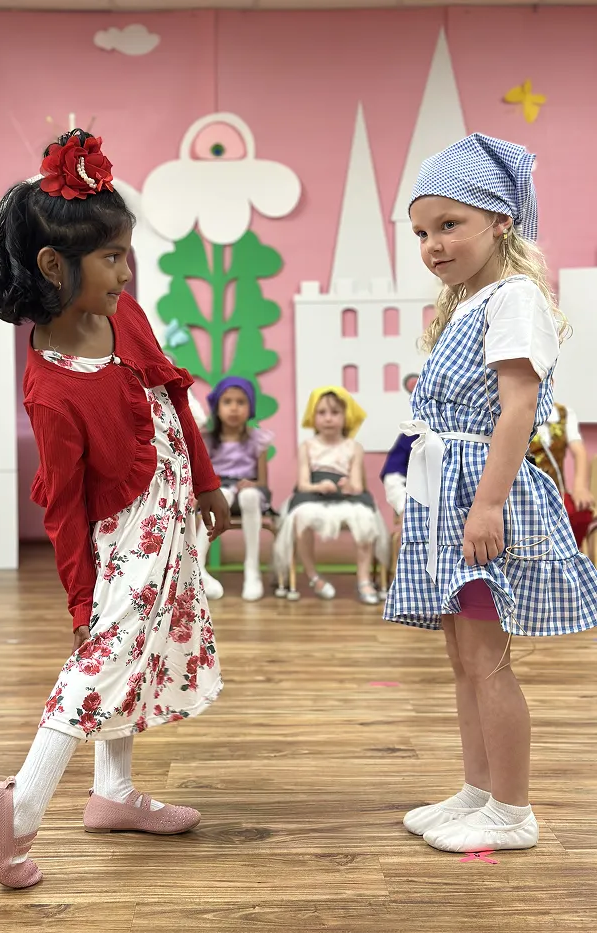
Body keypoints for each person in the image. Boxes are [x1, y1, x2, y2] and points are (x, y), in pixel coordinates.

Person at [0, 129, 230, 889]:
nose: (126, 270)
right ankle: (18, 805)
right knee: (103, 658)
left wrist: (206, 481)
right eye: (112, 257)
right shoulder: (51, 387)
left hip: (171, 515)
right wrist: (82, 600)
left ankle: (113, 792)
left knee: (138, 657)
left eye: (126, 253)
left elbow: (173, 397)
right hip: (125, 537)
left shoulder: (128, 318)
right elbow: (61, 506)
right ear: (56, 266)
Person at [385, 134, 597, 854]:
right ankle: (478, 790)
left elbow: (517, 410)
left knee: (487, 658)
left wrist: (487, 505)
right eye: (422, 232)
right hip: (448, 492)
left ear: (501, 221)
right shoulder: (470, 302)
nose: (434, 245)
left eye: (450, 224)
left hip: (480, 490)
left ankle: (512, 808)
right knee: (462, 657)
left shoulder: (514, 299)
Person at [274, 386, 388, 604]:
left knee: (365, 518)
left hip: (345, 497)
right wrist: (319, 486)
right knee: (301, 517)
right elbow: (303, 483)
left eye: (335, 413)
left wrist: (348, 485)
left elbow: (357, 485)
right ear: (313, 417)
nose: (328, 418)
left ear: (346, 417)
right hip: (314, 495)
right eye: (322, 413)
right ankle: (313, 576)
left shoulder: (354, 447)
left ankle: (364, 578)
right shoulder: (307, 446)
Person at [197, 376, 274, 602]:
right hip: (219, 492)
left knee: (249, 495)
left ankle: (252, 569)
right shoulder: (208, 440)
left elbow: (263, 482)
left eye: (241, 402)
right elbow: (203, 476)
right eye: (227, 402)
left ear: (250, 407)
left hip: (249, 494)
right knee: (223, 493)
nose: (234, 408)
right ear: (217, 407)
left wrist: (253, 484)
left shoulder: (257, 439)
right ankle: (198, 566)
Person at [529, 400, 595, 547]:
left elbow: (579, 452)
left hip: (555, 492)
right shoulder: (514, 411)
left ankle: (569, 553)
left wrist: (580, 488)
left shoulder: (563, 414)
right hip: (525, 492)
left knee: (579, 513)